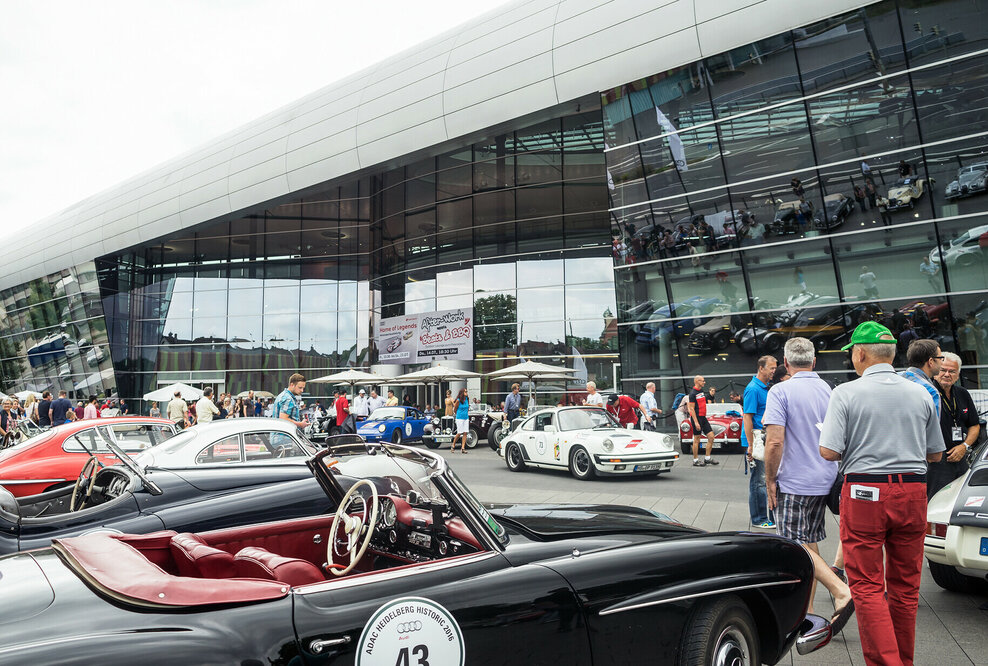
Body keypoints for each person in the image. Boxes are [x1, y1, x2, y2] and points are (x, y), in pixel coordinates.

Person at [819, 321, 944, 665]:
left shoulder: (846, 393)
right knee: (905, 588)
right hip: (913, 491)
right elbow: (935, 453)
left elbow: (828, 452)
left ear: (859, 353)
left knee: (867, 587)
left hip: (865, 493)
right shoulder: (921, 392)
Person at [763, 338, 851, 621]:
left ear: (786, 363)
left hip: (795, 481)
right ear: (814, 362)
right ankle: (808, 613)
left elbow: (774, 442)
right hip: (825, 476)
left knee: (793, 544)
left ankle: (840, 591)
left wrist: (769, 480)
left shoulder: (780, 391)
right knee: (809, 544)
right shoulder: (827, 389)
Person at [930, 352, 980, 498]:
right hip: (936, 461)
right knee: (935, 501)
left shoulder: (963, 393)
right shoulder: (927, 393)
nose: (947, 374)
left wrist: (964, 446)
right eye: (943, 370)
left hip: (961, 457)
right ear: (935, 371)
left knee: (960, 499)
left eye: (952, 371)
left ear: (958, 375)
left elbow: (974, 425)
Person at [742, 356, 778, 528]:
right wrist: (750, 445)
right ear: (761, 368)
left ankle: (768, 516)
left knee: (766, 479)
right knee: (759, 480)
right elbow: (747, 417)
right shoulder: (753, 389)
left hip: (764, 438)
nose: (774, 371)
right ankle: (759, 519)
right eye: (771, 368)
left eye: (775, 368)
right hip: (757, 440)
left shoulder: (765, 387)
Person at [899, 338, 943, 416]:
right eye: (940, 358)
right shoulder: (931, 391)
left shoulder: (894, 377)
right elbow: (933, 426)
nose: (942, 362)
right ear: (931, 362)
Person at [686, 376, 718, 467]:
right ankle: (695, 460)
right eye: (703, 381)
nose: (704, 382)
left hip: (703, 417)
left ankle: (707, 458)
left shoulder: (701, 391)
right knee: (697, 439)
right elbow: (691, 409)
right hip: (697, 418)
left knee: (711, 437)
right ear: (697, 381)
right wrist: (696, 422)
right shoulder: (692, 393)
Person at [451, 388, 471, 453]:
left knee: (465, 432)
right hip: (459, 418)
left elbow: (468, 408)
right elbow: (455, 409)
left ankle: (463, 447)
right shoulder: (458, 400)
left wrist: (466, 413)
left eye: (466, 391)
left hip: (466, 417)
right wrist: (458, 414)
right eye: (465, 391)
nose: (466, 392)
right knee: (459, 432)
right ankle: (453, 444)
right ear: (462, 392)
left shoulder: (467, 399)